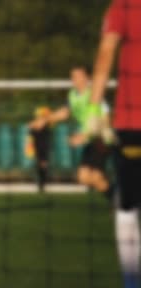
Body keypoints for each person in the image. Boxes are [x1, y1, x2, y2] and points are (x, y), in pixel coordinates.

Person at [88, 0, 141, 288]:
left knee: (128, 207)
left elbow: (106, 52)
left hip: (133, 124)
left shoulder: (124, 5)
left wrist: (95, 107)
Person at [42, 66, 114, 199]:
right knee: (84, 177)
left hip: (102, 139)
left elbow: (106, 117)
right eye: (72, 76)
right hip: (89, 139)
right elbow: (64, 113)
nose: (74, 79)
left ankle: (120, 204)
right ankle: (119, 199)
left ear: (87, 78)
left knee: (94, 176)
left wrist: (85, 136)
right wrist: (44, 119)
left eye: (78, 76)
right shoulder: (72, 95)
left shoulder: (95, 94)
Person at [27, 106, 53, 193]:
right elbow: (30, 127)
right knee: (39, 164)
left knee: (44, 164)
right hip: (37, 145)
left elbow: (39, 126)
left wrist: (36, 124)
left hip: (44, 145)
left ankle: (43, 183)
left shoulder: (47, 123)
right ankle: (40, 183)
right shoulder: (35, 123)